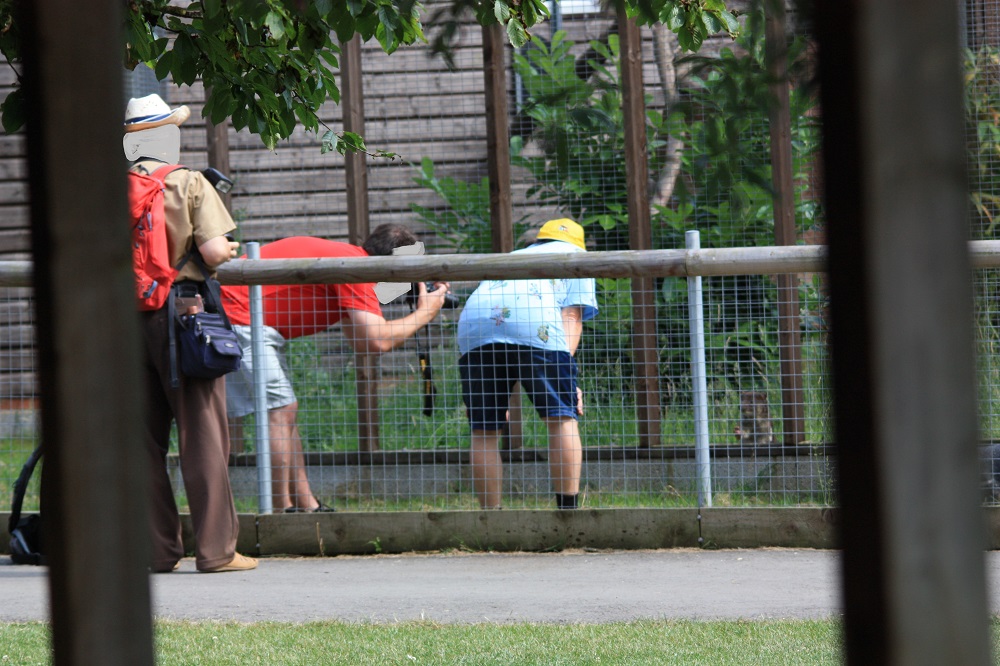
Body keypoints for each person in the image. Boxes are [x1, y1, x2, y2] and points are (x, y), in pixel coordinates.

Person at [220, 229, 452, 513]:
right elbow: (377, 340)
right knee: (281, 410)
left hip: (242, 315)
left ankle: (306, 505)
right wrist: (425, 313)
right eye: (409, 276)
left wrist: (413, 302)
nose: (406, 286)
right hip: (238, 314)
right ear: (395, 268)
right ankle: (279, 513)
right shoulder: (356, 268)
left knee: (284, 410)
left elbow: (361, 341)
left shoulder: (350, 262)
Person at [125, 93, 257, 572]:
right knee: (203, 436)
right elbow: (217, 252)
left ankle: (157, 551)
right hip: (182, 316)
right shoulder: (188, 182)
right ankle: (217, 551)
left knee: (142, 442)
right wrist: (224, 247)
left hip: (124, 321)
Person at [456, 218, 598, 510]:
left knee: (484, 429)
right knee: (561, 418)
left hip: (476, 327)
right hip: (535, 325)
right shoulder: (578, 258)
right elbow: (571, 318)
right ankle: (568, 514)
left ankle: (490, 522)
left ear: (538, 241)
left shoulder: (512, 257)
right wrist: (569, 384)